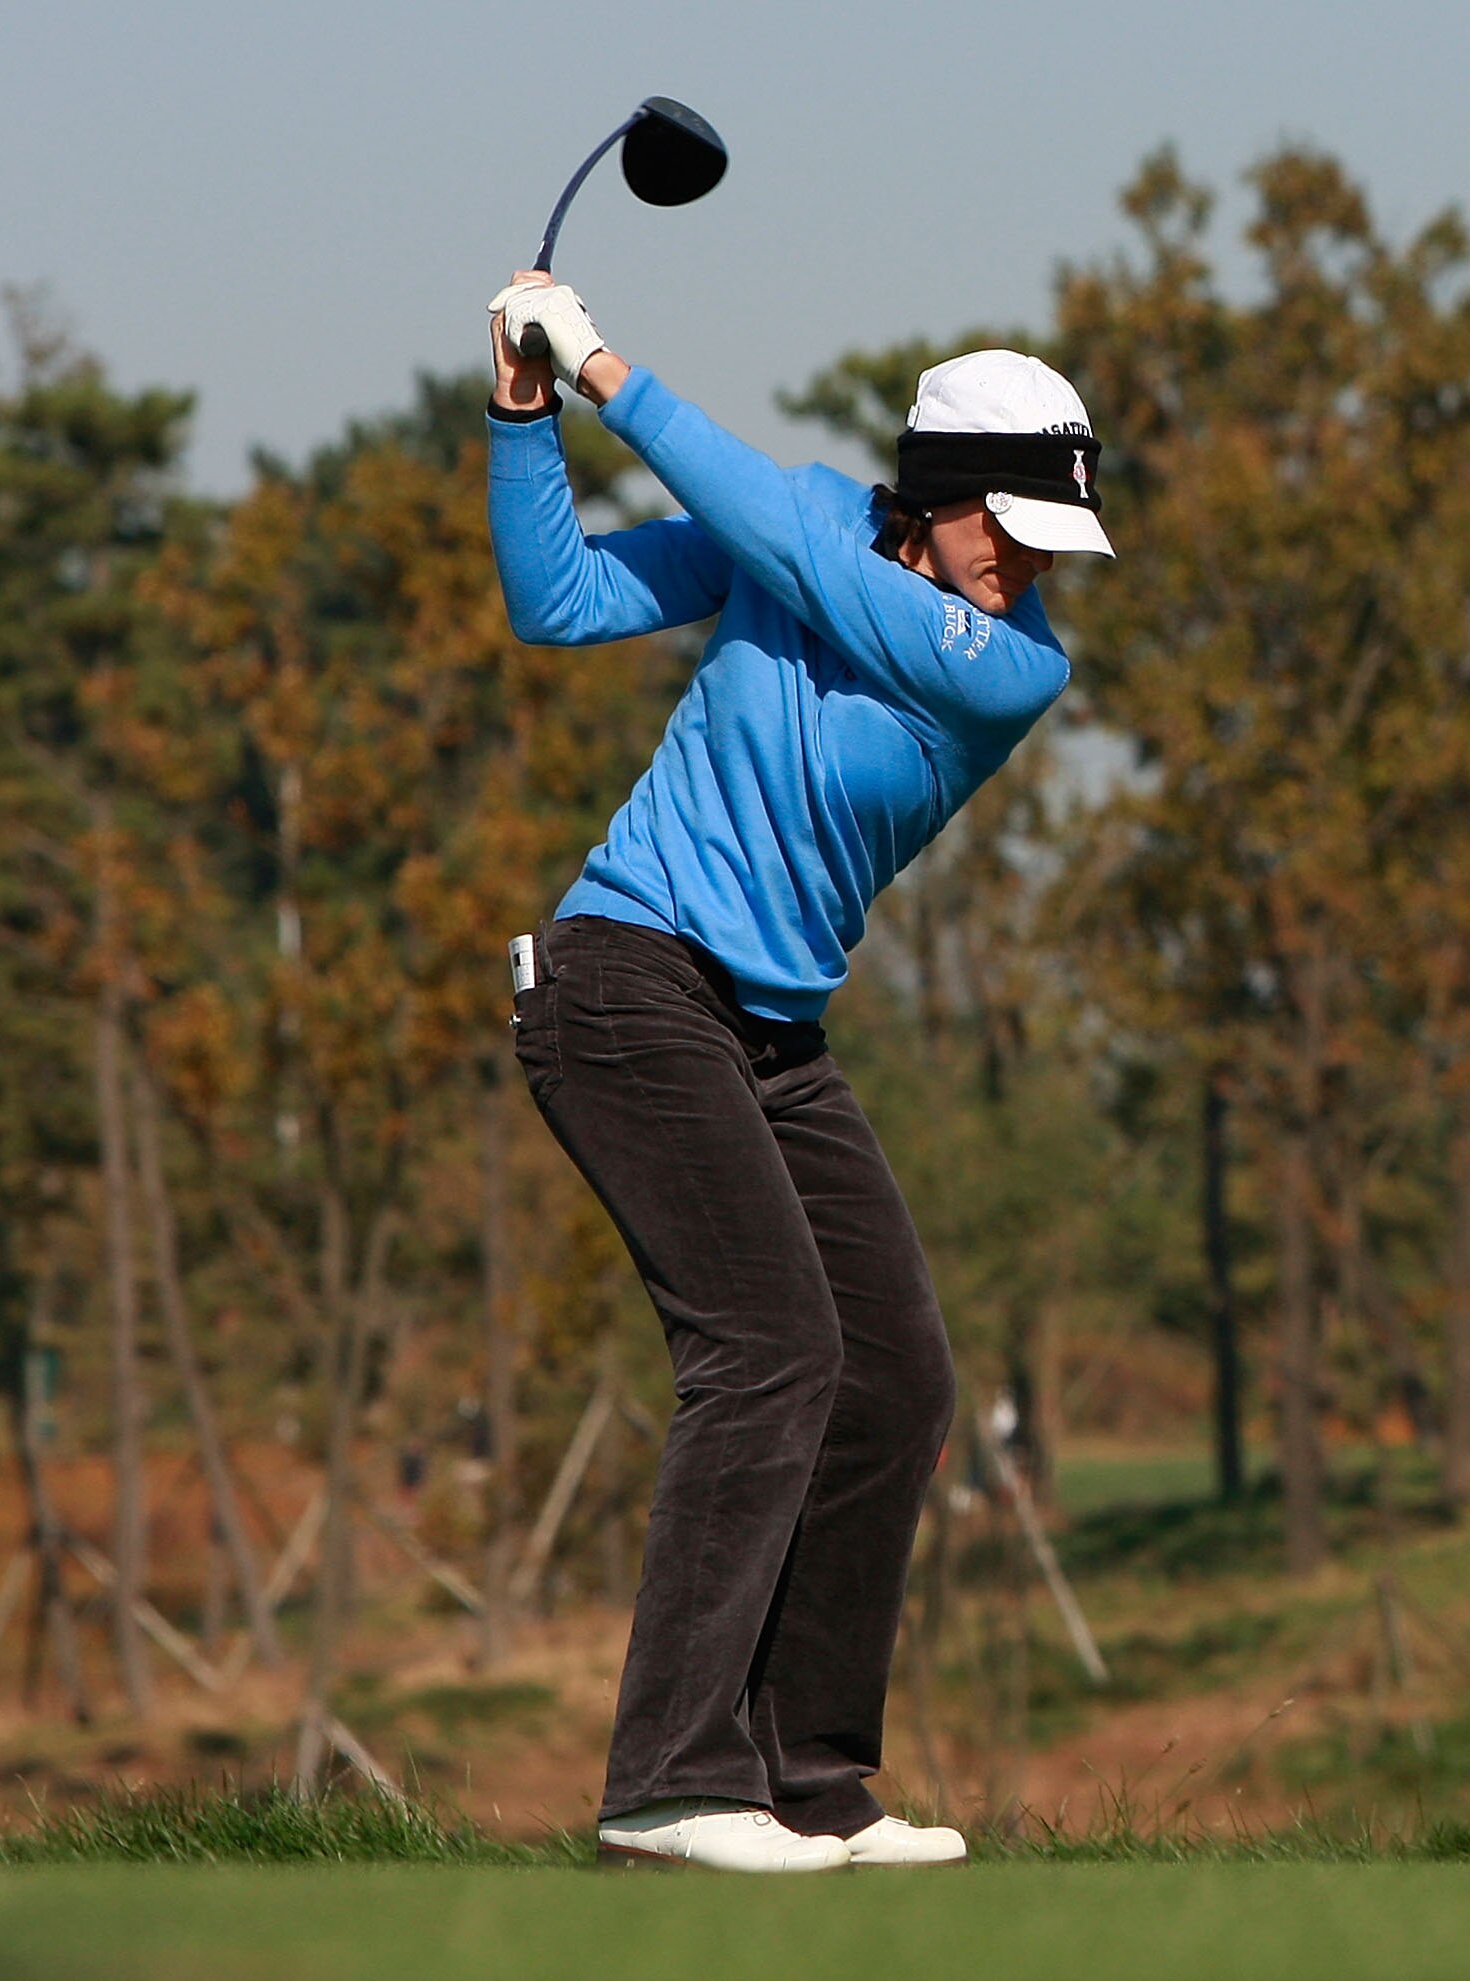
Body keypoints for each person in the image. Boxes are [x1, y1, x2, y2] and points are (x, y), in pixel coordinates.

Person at [482, 273, 1112, 1873]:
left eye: (1049, 539)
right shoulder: (815, 528)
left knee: (895, 1376)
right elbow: (561, 600)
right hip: (623, 986)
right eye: (1009, 523)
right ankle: (669, 1782)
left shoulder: (1006, 665)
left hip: (770, 1035)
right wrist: (525, 414)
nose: (1027, 561)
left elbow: (796, 550)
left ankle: (807, 1774)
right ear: (938, 491)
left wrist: (607, 367)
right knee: (769, 1347)